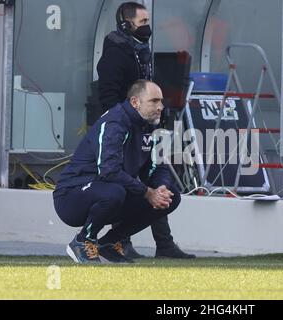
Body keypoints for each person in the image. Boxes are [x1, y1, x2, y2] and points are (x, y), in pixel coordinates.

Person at [96, 2, 194, 259]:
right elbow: (107, 97)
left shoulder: (141, 51)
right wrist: (124, 122)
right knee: (125, 181)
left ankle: (164, 244)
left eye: (147, 22)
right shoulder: (116, 53)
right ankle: (119, 242)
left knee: (155, 178)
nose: (147, 28)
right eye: (142, 23)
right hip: (124, 129)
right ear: (126, 24)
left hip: (142, 128)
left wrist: (157, 112)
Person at [53, 80, 185, 263]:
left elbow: (158, 165)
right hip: (71, 195)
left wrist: (160, 187)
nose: (160, 107)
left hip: (110, 189)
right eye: (154, 101)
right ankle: (83, 241)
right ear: (135, 102)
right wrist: (147, 192)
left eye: (161, 101)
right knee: (114, 192)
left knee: (171, 197)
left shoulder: (151, 124)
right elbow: (109, 171)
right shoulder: (115, 122)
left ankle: (109, 242)